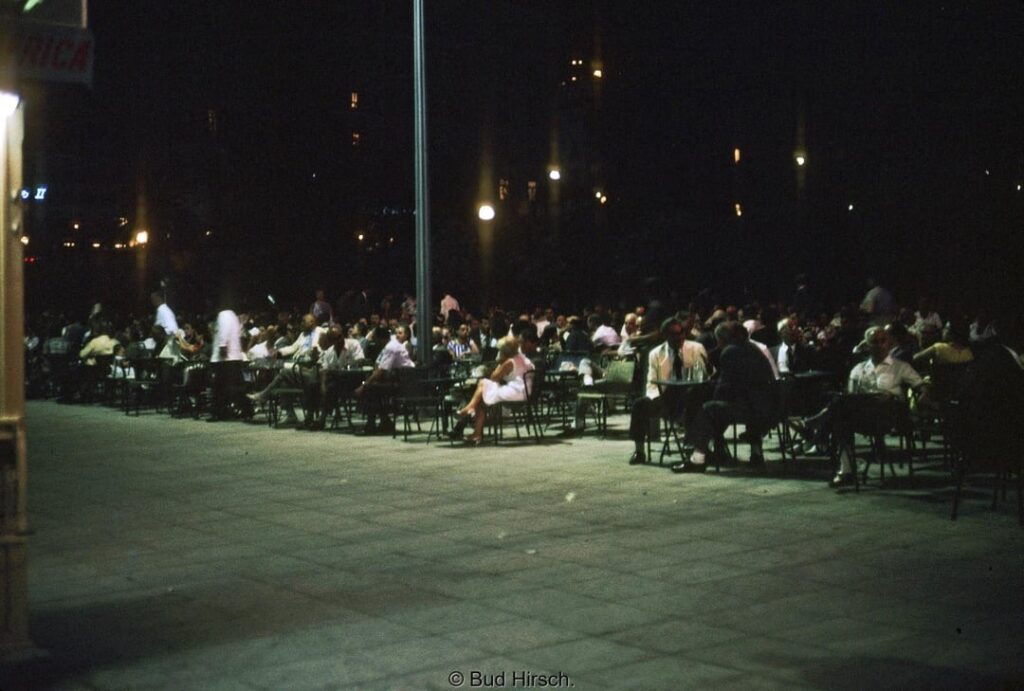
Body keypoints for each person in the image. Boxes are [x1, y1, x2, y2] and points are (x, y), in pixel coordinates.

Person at [673, 321, 776, 472]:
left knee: (708, 409)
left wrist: (712, 393)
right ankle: (753, 453)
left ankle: (698, 458)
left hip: (750, 409)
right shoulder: (751, 348)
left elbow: (726, 388)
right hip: (765, 404)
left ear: (722, 339)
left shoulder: (730, 352)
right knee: (716, 407)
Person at [628, 317, 710, 465]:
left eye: (680, 333)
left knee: (694, 398)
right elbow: (651, 381)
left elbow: (704, 376)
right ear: (665, 335)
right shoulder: (655, 354)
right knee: (639, 405)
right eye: (673, 334)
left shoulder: (696, 348)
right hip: (665, 396)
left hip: (691, 396)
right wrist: (658, 398)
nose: (678, 338)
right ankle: (639, 451)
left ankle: (693, 447)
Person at [451, 337, 534, 445]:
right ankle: (476, 431)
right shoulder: (523, 358)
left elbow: (494, 378)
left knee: (483, 383)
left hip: (516, 392)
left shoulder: (509, 362)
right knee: (481, 399)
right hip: (525, 391)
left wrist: (500, 363)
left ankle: (470, 409)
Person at [354, 324, 416, 434]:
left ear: (380, 339)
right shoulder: (391, 344)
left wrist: (363, 385)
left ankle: (371, 425)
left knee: (370, 389)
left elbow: (381, 370)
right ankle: (385, 421)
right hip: (400, 380)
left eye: (375, 339)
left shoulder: (391, 347)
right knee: (375, 388)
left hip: (405, 385)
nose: (374, 342)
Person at [207, 307, 245, 422]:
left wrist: (222, 346)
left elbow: (224, 332)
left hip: (224, 357)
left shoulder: (223, 314)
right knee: (234, 386)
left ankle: (218, 412)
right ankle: (242, 409)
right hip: (234, 356)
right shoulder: (233, 315)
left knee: (219, 387)